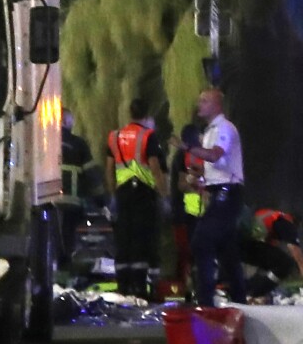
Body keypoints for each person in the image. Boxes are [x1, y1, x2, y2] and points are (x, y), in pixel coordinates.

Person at [171, 87, 246, 307]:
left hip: (228, 193)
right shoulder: (210, 131)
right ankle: (240, 300)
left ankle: (206, 302)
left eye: (204, 101)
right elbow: (217, 166)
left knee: (201, 242)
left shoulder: (224, 128)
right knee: (227, 249)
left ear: (216, 105)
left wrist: (187, 147)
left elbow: (214, 155)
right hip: (218, 192)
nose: (199, 105)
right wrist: (200, 176)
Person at [105, 99, 169, 300]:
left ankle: (123, 285)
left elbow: (109, 169)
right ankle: (140, 288)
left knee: (123, 238)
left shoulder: (114, 137)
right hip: (144, 194)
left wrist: (113, 193)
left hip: (123, 193)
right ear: (146, 115)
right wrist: (164, 195)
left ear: (129, 113)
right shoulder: (148, 136)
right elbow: (155, 168)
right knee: (142, 239)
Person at [57, 107, 104, 268]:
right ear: (67, 121)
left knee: (53, 235)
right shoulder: (78, 144)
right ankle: (66, 264)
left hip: (47, 201)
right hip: (71, 202)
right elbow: (92, 175)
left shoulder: (44, 141)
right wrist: (101, 199)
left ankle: (55, 266)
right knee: (68, 236)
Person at [168, 123, 205, 290]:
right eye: (199, 136)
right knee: (186, 252)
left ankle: (187, 287)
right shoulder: (183, 156)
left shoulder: (184, 156)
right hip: (184, 213)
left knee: (189, 253)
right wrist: (200, 189)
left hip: (188, 212)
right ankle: (183, 288)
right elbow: (182, 185)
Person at [240, 208, 303, 299]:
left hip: (236, 243)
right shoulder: (286, 223)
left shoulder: (271, 216)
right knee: (285, 264)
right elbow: (297, 255)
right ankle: (254, 294)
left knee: (270, 264)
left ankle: (244, 290)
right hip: (245, 243)